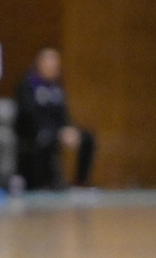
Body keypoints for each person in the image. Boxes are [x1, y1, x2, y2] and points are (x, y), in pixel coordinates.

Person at [16, 47, 96, 190]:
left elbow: (63, 113)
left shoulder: (56, 87)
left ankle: (81, 182)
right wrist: (55, 131)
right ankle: (44, 183)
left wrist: (68, 128)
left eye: (55, 63)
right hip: (35, 131)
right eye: (49, 62)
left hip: (57, 130)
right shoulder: (28, 84)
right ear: (40, 63)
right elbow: (28, 114)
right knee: (45, 139)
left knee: (88, 138)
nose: (52, 66)